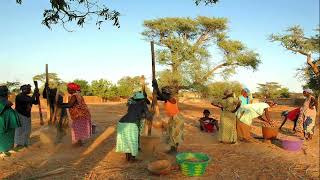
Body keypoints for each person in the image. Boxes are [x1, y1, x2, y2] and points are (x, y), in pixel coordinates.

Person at [116, 91, 152, 161]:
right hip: (132, 124)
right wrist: (150, 115)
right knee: (133, 140)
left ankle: (127, 158)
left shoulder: (131, 104)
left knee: (126, 140)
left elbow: (133, 112)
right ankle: (132, 159)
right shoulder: (143, 104)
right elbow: (148, 116)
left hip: (122, 123)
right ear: (142, 99)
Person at [152, 79, 184, 153]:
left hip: (177, 118)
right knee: (170, 133)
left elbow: (160, 95)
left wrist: (156, 86)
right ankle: (172, 149)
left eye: (164, 93)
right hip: (173, 118)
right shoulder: (166, 99)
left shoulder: (171, 99)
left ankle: (175, 150)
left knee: (175, 134)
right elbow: (157, 96)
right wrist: (154, 91)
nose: (163, 94)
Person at [14, 84, 39, 148]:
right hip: (20, 114)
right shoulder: (19, 96)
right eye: (29, 89)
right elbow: (31, 100)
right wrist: (35, 93)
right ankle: (18, 144)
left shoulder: (28, 97)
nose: (30, 90)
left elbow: (35, 102)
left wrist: (37, 95)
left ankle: (25, 143)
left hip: (27, 115)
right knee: (19, 130)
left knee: (27, 130)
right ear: (24, 90)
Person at [0, 86, 21, 158]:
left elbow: (10, 103)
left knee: (9, 134)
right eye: (5, 92)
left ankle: (7, 149)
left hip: (9, 121)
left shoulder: (4, 100)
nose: (6, 94)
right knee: (3, 135)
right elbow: (9, 103)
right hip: (3, 121)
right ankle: (3, 150)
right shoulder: (2, 100)